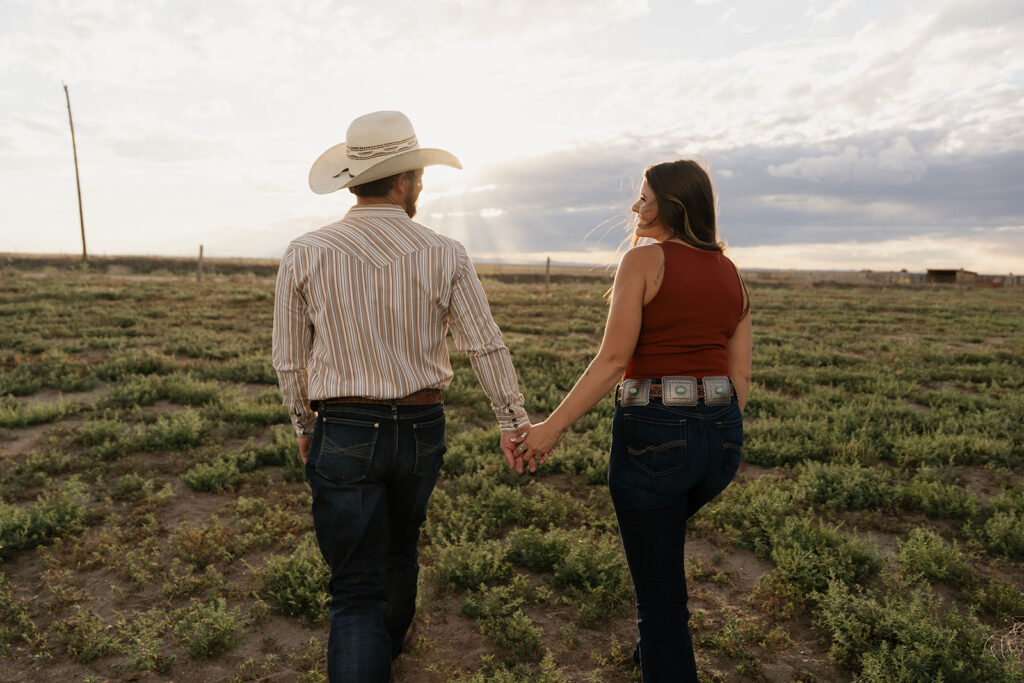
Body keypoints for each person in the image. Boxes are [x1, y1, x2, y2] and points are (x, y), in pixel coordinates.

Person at [272, 110, 531, 682]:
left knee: (354, 590)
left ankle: (371, 659)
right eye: (417, 174)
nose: (421, 185)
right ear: (404, 179)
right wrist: (513, 422)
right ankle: (385, 655)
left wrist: (303, 428)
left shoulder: (305, 251)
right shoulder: (445, 252)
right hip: (420, 426)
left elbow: (289, 359)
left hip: (342, 427)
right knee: (400, 551)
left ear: (353, 179)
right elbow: (485, 346)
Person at [513, 159, 751, 681]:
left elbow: (613, 362)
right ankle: (654, 648)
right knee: (660, 553)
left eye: (644, 198)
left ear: (674, 205)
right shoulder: (730, 272)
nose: (635, 207)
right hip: (724, 440)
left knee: (660, 598)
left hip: (654, 435)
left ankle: (663, 653)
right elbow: (742, 380)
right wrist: (711, 427)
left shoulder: (642, 262)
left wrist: (548, 430)